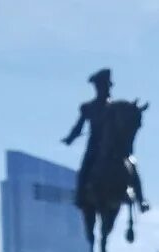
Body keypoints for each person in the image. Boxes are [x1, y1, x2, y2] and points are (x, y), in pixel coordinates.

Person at [62, 68, 148, 213]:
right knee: (84, 169)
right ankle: (80, 196)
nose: (105, 89)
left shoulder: (116, 107)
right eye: (102, 86)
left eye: (107, 86)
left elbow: (127, 120)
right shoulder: (88, 107)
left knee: (132, 165)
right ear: (97, 87)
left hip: (114, 147)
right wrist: (70, 138)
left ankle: (141, 200)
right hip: (94, 147)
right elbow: (79, 127)